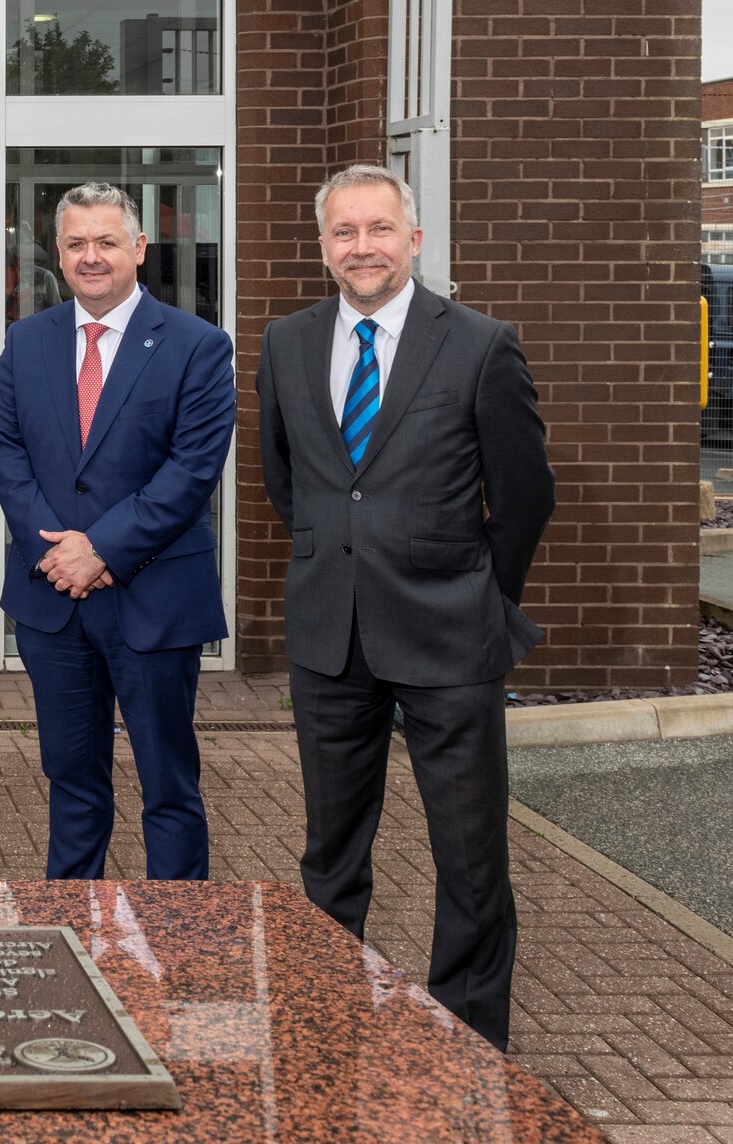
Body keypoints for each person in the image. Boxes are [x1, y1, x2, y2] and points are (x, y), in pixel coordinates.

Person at [257, 163, 555, 1051]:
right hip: (329, 637)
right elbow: (291, 485)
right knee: (330, 855)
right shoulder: (285, 342)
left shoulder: (478, 343)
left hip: (449, 635)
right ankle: (328, 1024)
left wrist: (479, 594)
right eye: (344, 233)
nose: (363, 247)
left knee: (469, 861)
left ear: (414, 239)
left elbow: (524, 495)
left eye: (379, 229)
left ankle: (467, 1041)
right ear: (323, 248)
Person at [0, 181, 235, 882]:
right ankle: (73, 930)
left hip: (152, 597)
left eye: (105, 241)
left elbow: (192, 471)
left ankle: (179, 950)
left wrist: (99, 549)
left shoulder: (198, 346)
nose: (90, 256)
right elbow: (5, 450)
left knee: (169, 787)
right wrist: (58, 552)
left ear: (138, 249)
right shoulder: (26, 340)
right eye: (75, 244)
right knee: (71, 779)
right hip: (52, 601)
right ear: (58, 254)